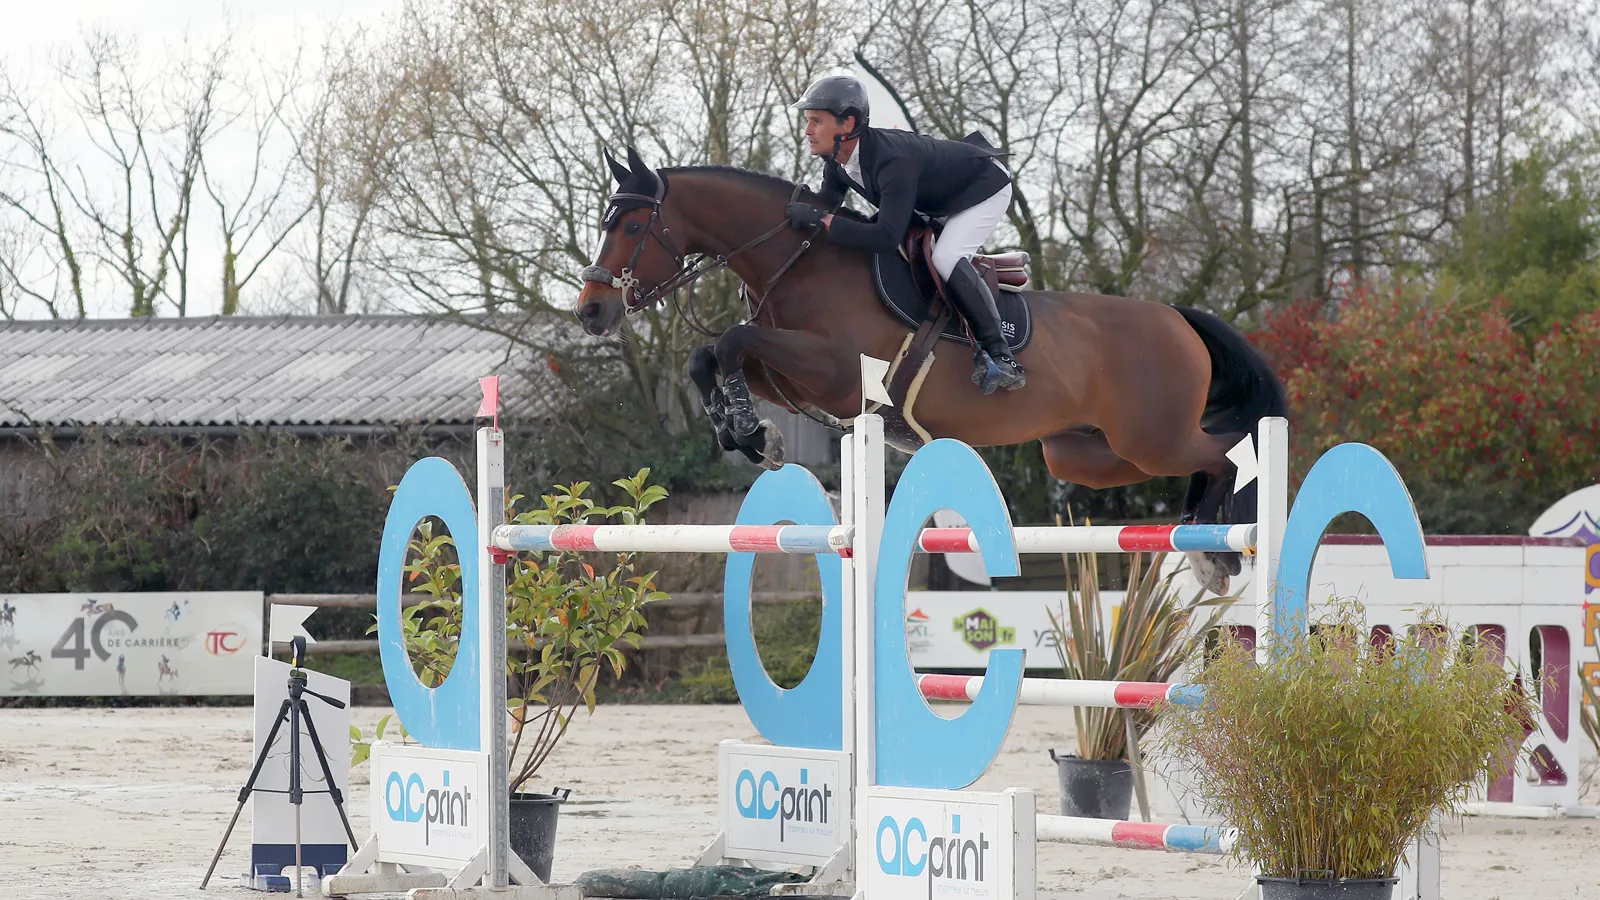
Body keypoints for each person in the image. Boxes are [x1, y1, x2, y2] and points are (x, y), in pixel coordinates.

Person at [784, 74, 1025, 393]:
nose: (807, 131)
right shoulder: (837, 161)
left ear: (848, 123)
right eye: (807, 121)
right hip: (936, 196)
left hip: (983, 187)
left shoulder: (891, 160)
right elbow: (828, 204)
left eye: (816, 121)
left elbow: (885, 237)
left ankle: (1001, 354)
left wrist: (821, 220)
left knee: (946, 257)